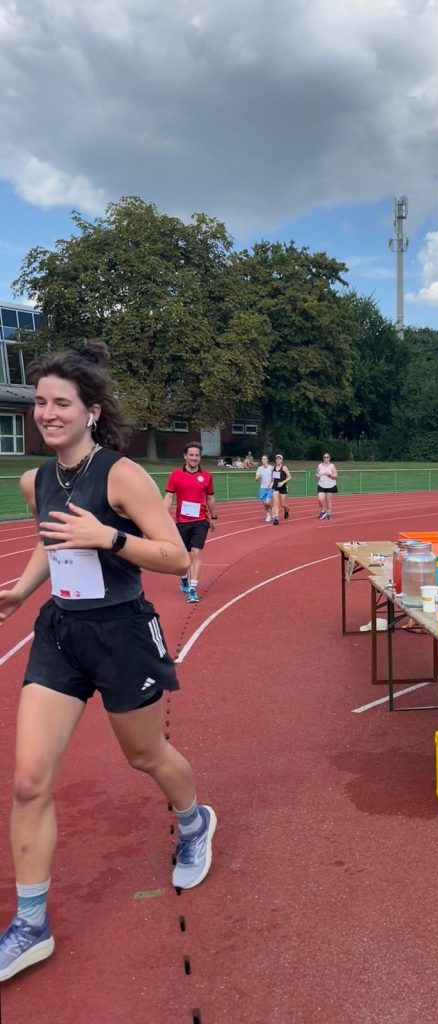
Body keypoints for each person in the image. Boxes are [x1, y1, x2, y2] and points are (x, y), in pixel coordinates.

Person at [0, 341, 216, 984]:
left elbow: (173, 558)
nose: (47, 413)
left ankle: (194, 821)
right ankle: (30, 923)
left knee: (144, 755)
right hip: (61, 634)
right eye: (40, 402)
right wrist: (21, 590)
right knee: (28, 781)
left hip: (122, 634)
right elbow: (51, 542)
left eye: (61, 403)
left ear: (91, 411)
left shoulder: (122, 475)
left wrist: (109, 537)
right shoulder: (35, 480)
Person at [163, 443, 218, 603]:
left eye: (197, 455)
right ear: (185, 456)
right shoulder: (176, 475)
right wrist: (162, 515)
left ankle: (193, 589)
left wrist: (214, 516)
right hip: (182, 521)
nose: (194, 458)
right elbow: (169, 496)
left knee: (196, 553)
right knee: (181, 558)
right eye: (191, 455)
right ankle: (184, 578)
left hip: (200, 520)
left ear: (200, 457)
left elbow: (210, 497)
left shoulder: (206, 476)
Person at [271, 454, 292, 524]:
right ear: (275, 460)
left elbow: (289, 477)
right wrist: (271, 483)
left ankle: (286, 510)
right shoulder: (273, 468)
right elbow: (273, 478)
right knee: (276, 503)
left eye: (279, 459)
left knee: (282, 505)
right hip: (275, 486)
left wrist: (283, 482)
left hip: (283, 487)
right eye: (277, 459)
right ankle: (276, 518)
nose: (278, 460)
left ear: (282, 460)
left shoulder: (284, 468)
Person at [316, 453, 338, 520]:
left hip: (330, 485)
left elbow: (336, 476)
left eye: (327, 457)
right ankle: (323, 510)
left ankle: (328, 513)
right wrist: (318, 475)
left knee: (328, 500)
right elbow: (317, 473)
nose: (326, 458)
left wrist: (330, 475)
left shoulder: (332, 466)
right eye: (324, 457)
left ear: (329, 458)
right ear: (323, 458)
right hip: (321, 484)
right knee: (320, 499)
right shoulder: (320, 465)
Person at [255, 455, 274, 523]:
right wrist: (257, 478)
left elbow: (274, 478)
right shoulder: (259, 468)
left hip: (270, 488)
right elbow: (256, 477)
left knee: (267, 502)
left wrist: (271, 484)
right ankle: (268, 516)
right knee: (264, 504)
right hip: (262, 488)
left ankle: (273, 510)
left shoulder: (271, 468)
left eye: (265, 459)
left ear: (267, 460)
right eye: (262, 459)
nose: (263, 460)